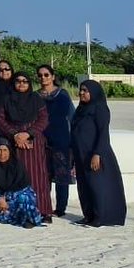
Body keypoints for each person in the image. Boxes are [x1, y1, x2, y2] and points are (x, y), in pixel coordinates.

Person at [0, 71, 53, 221]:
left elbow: (44, 119)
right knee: (17, 176)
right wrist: (15, 134)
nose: (21, 84)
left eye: (25, 81)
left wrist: (28, 134)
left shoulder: (36, 99)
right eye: (18, 81)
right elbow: (0, 119)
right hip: (14, 142)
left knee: (38, 176)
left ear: (29, 84)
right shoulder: (6, 99)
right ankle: (19, 210)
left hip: (33, 142)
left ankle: (43, 210)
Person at [71, 80, 127, 227]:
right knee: (84, 186)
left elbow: (103, 133)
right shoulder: (81, 109)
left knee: (97, 186)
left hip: (95, 153)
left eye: (85, 90)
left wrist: (97, 154)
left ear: (94, 92)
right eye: (81, 90)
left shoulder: (100, 108)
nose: (82, 93)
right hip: (80, 153)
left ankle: (101, 216)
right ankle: (88, 215)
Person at [0, 139, 44, 228]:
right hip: (0, 198)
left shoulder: (17, 165)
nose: (2, 154)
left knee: (24, 198)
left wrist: (7, 198)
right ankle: (18, 219)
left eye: (5, 150)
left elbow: (23, 187)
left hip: (16, 196)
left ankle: (27, 219)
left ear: (10, 151)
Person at [40, 65, 75, 218]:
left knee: (62, 175)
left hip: (61, 139)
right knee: (44, 174)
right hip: (42, 139)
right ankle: (44, 205)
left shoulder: (62, 95)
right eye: (40, 75)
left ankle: (61, 208)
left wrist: (74, 140)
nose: (43, 78)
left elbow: (72, 116)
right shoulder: (36, 96)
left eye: (46, 75)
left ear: (53, 76)